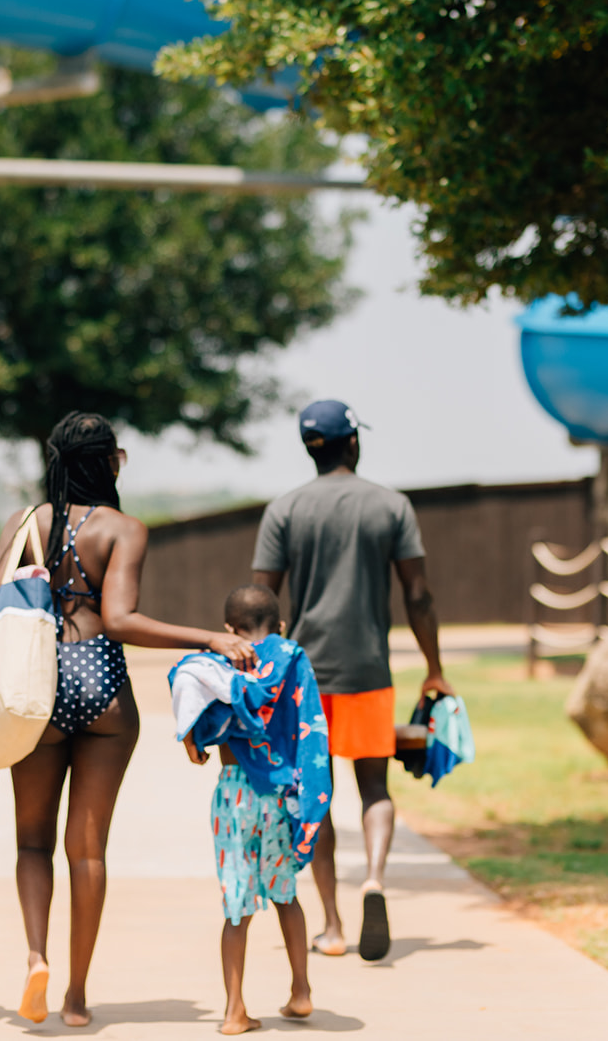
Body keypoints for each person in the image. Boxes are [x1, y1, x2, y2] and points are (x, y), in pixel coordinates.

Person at [0, 412, 256, 1028]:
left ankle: (36, 956)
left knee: (32, 841)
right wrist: (208, 641)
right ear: (109, 460)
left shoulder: (22, 524)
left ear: (57, 462)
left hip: (31, 687)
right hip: (102, 688)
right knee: (87, 852)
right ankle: (78, 995)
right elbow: (118, 619)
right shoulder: (123, 530)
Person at [251, 400, 452, 962]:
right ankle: (377, 880)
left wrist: (259, 667)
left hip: (304, 679)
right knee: (374, 789)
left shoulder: (285, 509)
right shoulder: (391, 506)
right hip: (369, 670)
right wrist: (434, 668)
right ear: (354, 444)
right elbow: (418, 593)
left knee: (316, 797)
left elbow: (261, 598)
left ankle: (334, 926)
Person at [169, 584, 330, 1035]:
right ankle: (301, 991)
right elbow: (311, 727)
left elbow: (187, 692)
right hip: (280, 793)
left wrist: (191, 742)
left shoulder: (217, 661)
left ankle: (233, 1010)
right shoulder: (292, 659)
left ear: (228, 629)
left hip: (234, 793)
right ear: (279, 626)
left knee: (236, 905)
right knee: (285, 894)